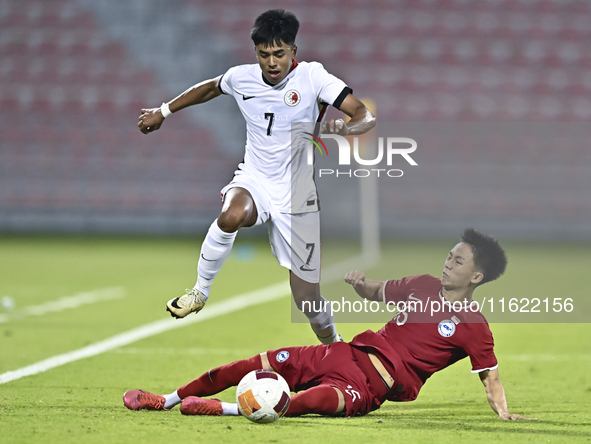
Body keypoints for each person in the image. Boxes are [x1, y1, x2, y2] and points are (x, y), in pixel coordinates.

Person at [137, 9, 376, 344]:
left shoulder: (313, 77)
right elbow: (210, 88)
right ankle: (199, 292)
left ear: (294, 51)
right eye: (264, 55)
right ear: (256, 53)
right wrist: (163, 112)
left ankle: (335, 346)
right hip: (256, 179)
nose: (272, 62)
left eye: (279, 54)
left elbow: (364, 115)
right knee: (232, 214)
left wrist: (347, 127)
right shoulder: (242, 77)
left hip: (297, 194)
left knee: (307, 300)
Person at [123, 228, 535, 420]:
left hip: (372, 386)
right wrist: (360, 284)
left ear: (476, 277)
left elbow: (489, 376)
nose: (448, 262)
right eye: (449, 254)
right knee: (247, 365)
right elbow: (381, 290)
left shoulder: (473, 325)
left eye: (458, 261)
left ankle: (224, 409)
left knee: (313, 402)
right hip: (343, 352)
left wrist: (503, 413)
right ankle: (168, 398)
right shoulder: (423, 285)